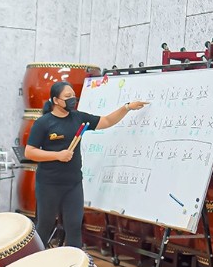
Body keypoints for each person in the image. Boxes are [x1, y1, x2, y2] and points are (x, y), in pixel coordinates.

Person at [24, 81, 147, 247]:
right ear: (55, 100)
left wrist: (127, 107)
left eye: (74, 96)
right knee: (45, 227)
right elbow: (29, 152)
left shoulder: (78, 118)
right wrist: (57, 155)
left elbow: (107, 121)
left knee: (74, 227)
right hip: (48, 183)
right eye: (68, 97)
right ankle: (31, 263)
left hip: (73, 183)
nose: (72, 99)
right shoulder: (43, 123)